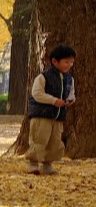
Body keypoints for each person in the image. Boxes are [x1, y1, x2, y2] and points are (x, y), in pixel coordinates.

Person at [26, 44, 77, 175]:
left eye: (71, 62)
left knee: (54, 141)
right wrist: (54, 101)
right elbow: (37, 93)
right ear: (55, 61)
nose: (69, 65)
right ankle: (33, 163)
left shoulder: (69, 79)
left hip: (58, 116)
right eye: (66, 62)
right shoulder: (43, 77)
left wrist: (70, 100)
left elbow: (71, 93)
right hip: (42, 115)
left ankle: (48, 163)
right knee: (39, 139)